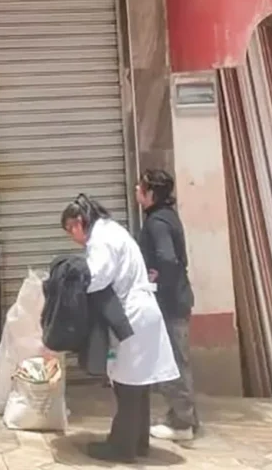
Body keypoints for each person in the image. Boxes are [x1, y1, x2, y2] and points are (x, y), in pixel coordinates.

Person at [62, 195, 178, 463]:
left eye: (70, 229)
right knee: (138, 384)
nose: (72, 237)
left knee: (127, 386)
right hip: (142, 312)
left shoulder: (101, 240)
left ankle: (121, 447)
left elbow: (97, 278)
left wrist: (69, 283)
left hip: (132, 315)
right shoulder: (112, 230)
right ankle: (138, 442)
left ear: (79, 222)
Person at [137, 169, 198, 442]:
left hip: (170, 303)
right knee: (177, 360)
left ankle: (182, 424)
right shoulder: (164, 216)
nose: (137, 190)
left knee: (173, 362)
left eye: (141, 186)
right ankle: (184, 417)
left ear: (151, 193)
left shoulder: (158, 223)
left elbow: (168, 259)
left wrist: (156, 280)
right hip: (177, 299)